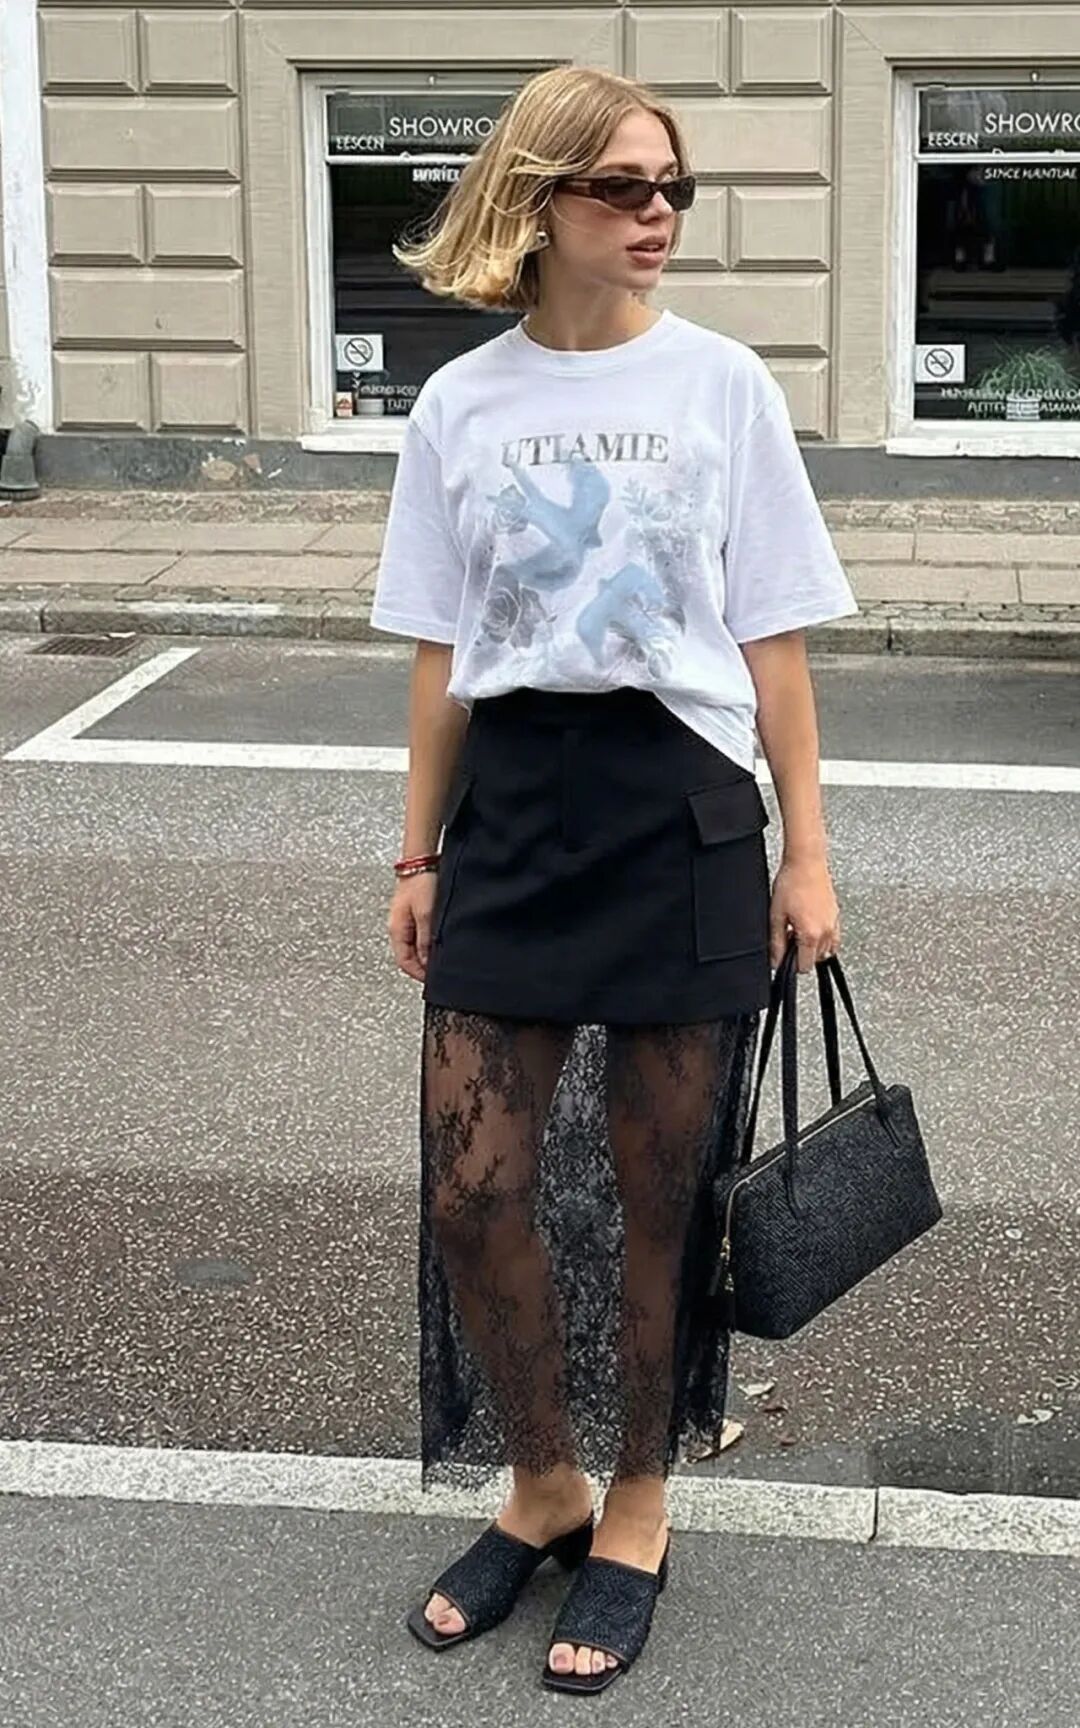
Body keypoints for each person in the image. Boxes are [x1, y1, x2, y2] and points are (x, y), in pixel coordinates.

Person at [369, 63, 858, 1696]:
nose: (659, 215)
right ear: (539, 201)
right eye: (624, 187)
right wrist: (420, 848)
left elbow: (771, 636)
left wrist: (809, 852)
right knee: (475, 1188)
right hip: (515, 809)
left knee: (663, 1198)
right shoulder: (461, 405)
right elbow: (438, 647)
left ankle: (636, 1506)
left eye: (674, 188)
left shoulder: (722, 386)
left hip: (681, 812)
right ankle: (542, 1483)